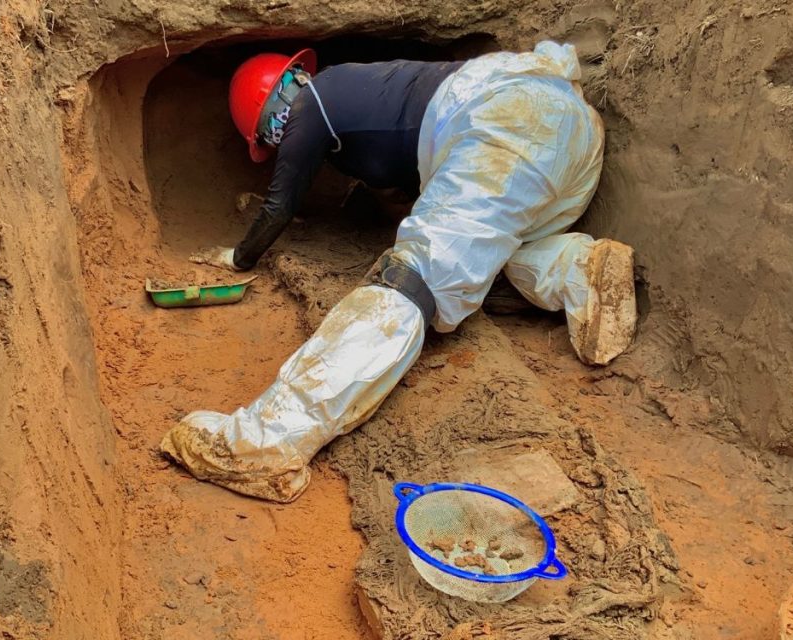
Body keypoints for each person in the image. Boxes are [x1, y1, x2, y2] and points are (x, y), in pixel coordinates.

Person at [163, 42, 637, 502]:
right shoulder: (354, 87)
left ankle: (262, 443)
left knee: (416, 275)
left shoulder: (310, 109)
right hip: (569, 128)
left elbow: (280, 203)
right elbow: (400, 182)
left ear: (269, 116)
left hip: (505, 122)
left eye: (269, 136)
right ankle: (578, 269)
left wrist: (237, 258)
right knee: (496, 244)